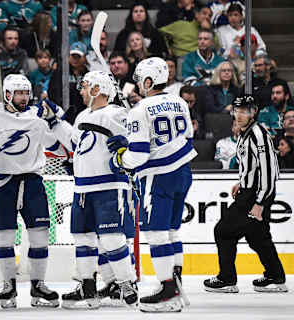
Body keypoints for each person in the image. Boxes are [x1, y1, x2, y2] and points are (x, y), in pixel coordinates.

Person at [40, 70, 138, 309]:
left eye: (84, 87)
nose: (80, 91)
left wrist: (127, 143)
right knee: (82, 237)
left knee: (112, 238)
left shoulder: (117, 113)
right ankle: (88, 286)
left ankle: (126, 283)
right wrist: (55, 122)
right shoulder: (84, 114)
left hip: (110, 185)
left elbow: (137, 140)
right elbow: (75, 142)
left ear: (97, 90)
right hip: (83, 187)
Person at [0, 74, 61, 309]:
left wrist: (60, 129)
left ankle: (38, 285)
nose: (24, 97)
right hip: (2, 185)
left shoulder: (37, 117)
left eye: (26, 93)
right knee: (3, 238)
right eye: (19, 93)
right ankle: (8, 285)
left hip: (32, 182)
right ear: (7, 94)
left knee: (39, 236)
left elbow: (55, 143)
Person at [109, 57, 197, 312]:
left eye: (140, 81)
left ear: (148, 81)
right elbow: (187, 136)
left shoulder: (140, 110)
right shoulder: (180, 100)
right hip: (183, 172)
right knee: (171, 231)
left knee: (156, 234)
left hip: (158, 175)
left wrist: (119, 157)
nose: (137, 85)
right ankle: (176, 286)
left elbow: (138, 155)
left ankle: (167, 292)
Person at [204, 95, 288, 293]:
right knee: (257, 236)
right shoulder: (245, 132)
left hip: (256, 195)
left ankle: (227, 279)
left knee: (223, 231)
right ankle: (276, 277)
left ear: (254, 112)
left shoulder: (258, 134)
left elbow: (270, 170)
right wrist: (242, 181)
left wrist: (260, 202)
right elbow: (253, 166)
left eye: (244, 111)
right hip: (250, 191)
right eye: (237, 110)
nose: (239, 115)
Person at [48, 42, 88, 124]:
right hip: (61, 115)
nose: (75, 59)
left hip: (82, 116)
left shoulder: (88, 75)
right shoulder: (60, 72)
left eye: (78, 57)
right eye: (73, 56)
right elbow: (52, 92)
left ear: (84, 57)